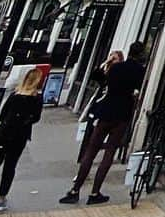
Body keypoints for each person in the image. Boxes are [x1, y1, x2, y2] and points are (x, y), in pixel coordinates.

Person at [60, 41, 145, 205]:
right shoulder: (140, 71)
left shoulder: (116, 68)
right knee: (109, 152)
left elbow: (98, 76)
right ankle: (95, 192)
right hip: (122, 114)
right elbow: (136, 91)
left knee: (91, 150)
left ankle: (75, 190)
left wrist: (107, 62)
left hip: (106, 111)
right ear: (141, 55)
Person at [0, 66, 45, 213]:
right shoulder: (37, 98)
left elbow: (2, 116)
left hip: (2, 134)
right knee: (10, 167)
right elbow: (36, 118)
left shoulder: (14, 95)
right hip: (19, 137)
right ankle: (2, 198)